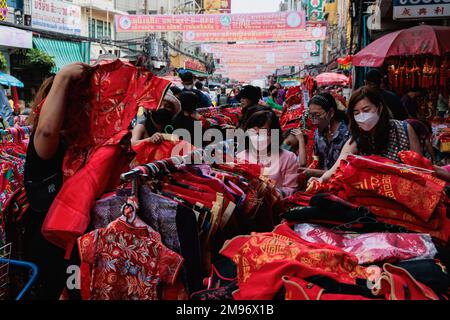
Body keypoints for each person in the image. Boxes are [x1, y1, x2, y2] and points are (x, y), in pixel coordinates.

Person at [24, 63, 90, 299]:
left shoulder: (81, 145)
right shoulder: (46, 143)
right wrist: (62, 78)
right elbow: (46, 131)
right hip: (50, 246)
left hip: (74, 247)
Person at [310, 86, 422, 185]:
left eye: (366, 110)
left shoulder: (404, 129)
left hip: (403, 193)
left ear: (380, 107)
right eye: (356, 113)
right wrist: (320, 179)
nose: (362, 116)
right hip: (371, 198)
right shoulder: (356, 139)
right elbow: (336, 167)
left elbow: (420, 169)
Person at [237, 110, 299, 197]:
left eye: (263, 131)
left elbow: (291, 189)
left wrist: (275, 193)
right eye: (254, 131)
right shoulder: (241, 156)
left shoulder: (288, 157)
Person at [304, 92, 351, 179]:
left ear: (331, 112)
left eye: (317, 115)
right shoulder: (318, 133)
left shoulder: (348, 135)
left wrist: (317, 173)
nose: (314, 121)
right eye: (311, 116)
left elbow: (348, 171)